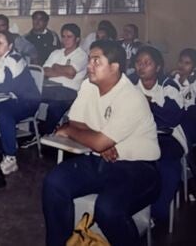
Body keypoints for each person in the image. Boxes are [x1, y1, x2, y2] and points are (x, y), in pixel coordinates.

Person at [42, 40, 160, 246]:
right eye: (89, 60)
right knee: (54, 183)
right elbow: (77, 121)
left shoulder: (131, 97)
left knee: (107, 209)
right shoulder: (88, 85)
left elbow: (82, 133)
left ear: (114, 67)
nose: (89, 65)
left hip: (139, 169)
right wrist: (99, 139)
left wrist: (73, 132)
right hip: (100, 161)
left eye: (97, 61)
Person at [131, 46, 186, 224]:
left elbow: (171, 118)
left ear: (158, 67)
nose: (141, 66)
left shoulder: (168, 86)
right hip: (138, 135)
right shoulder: (130, 84)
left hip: (167, 136)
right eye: (138, 62)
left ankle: (157, 211)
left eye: (147, 63)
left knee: (167, 164)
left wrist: (147, 104)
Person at [0, 31, 40, 174]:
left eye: (1, 43)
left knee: (5, 114)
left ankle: (10, 157)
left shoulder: (14, 60)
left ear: (10, 46)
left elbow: (5, 87)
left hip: (26, 101)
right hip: (4, 99)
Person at [39, 23, 88, 135]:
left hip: (69, 91)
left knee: (54, 107)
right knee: (31, 97)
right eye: (63, 36)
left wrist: (55, 67)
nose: (65, 40)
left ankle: (45, 135)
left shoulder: (81, 55)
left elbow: (71, 72)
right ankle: (33, 132)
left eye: (69, 37)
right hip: (51, 87)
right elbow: (44, 71)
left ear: (77, 39)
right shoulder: (56, 53)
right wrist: (64, 71)